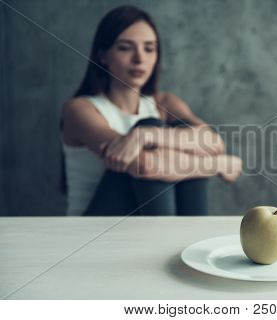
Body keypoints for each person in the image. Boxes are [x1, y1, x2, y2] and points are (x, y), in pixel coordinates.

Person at [60, 5, 242, 216]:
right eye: (125, 48)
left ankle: (188, 240)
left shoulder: (164, 103)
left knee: (159, 129)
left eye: (149, 48)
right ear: (103, 56)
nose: (139, 58)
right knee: (151, 124)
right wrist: (218, 164)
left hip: (141, 225)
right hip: (94, 231)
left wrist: (146, 136)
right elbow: (145, 165)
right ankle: (170, 241)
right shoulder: (79, 110)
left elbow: (213, 142)